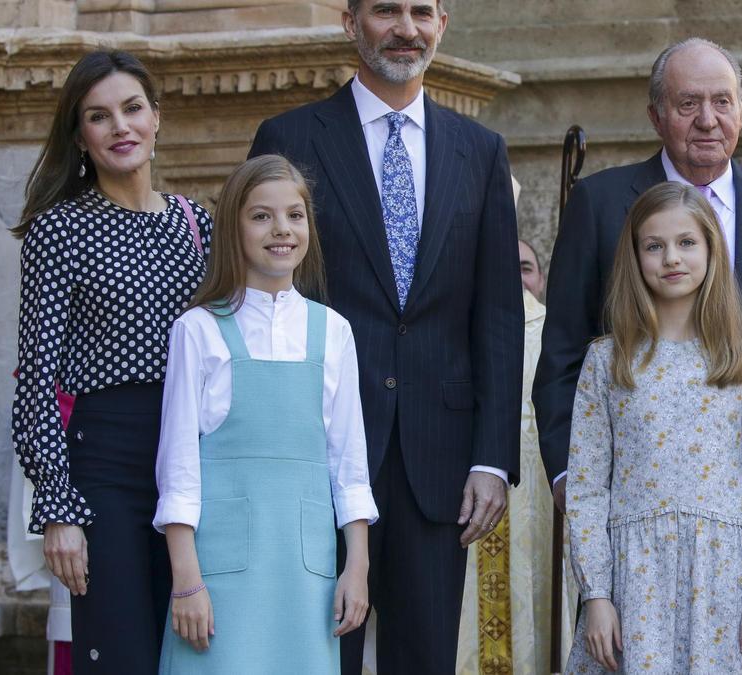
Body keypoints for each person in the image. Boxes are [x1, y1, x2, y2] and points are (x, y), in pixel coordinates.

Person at [533, 37, 742, 639]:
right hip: (633, 520)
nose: (708, 119)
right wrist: (569, 480)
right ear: (656, 114)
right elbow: (561, 359)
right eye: (688, 104)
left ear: (741, 109)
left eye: (722, 102)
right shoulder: (600, 205)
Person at [246, 1, 524, 671]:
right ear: (351, 23)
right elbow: (258, 294)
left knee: (425, 657)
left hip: (440, 459)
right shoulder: (290, 137)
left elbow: (497, 314)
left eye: (421, 10)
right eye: (386, 10)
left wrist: (492, 457)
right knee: (315, 652)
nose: (406, 28)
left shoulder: (479, 150)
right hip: (316, 447)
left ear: (443, 23)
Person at [10, 49, 212, 673]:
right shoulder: (59, 230)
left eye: (132, 109)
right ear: (80, 136)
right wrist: (58, 508)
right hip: (108, 467)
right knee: (122, 652)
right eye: (99, 116)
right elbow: (36, 381)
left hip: (198, 459)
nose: (120, 127)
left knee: (202, 648)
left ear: (157, 118)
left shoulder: (198, 225)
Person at [153, 155, 378, 672]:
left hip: (307, 576)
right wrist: (187, 581)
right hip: (219, 576)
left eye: (294, 215)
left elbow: (349, 466)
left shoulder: (333, 331)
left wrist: (356, 568)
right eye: (261, 216)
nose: (281, 229)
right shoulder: (198, 330)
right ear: (233, 227)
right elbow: (179, 471)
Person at [565, 182, 742, 674]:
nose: (672, 257)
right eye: (655, 245)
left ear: (712, 249)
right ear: (635, 257)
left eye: (687, 242)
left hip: (725, 585)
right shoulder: (608, 362)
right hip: (635, 586)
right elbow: (586, 491)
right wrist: (597, 594)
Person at [456, 235, 578, 673]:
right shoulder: (459, 328)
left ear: (541, 279)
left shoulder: (561, 336)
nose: (516, 279)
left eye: (525, 267)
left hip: (542, 504)